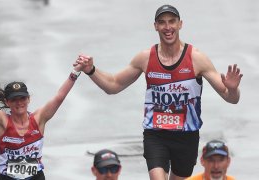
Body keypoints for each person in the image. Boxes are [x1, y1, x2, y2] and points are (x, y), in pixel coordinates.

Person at [75, 4, 243, 180]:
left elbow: (230, 98)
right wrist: (91, 70)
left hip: (187, 136)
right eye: (162, 22)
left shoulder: (196, 58)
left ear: (180, 24)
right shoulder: (146, 58)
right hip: (156, 134)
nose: (167, 27)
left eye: (172, 22)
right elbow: (113, 85)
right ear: (155, 26)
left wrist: (232, 88)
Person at [0, 61, 82, 180]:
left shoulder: (39, 119)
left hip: (35, 177)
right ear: (7, 102)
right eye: (14, 99)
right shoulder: (2, 121)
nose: (19, 103)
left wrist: (75, 72)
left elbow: (59, 97)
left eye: (22, 98)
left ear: (28, 99)